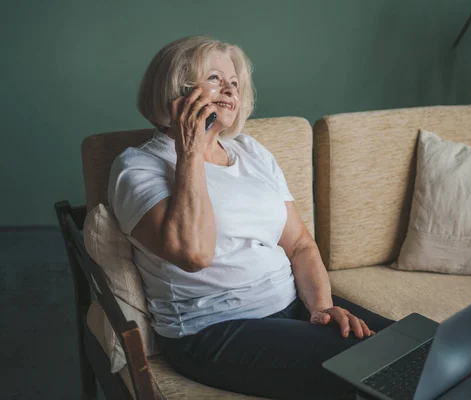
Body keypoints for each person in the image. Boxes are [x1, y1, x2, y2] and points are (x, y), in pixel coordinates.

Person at [108, 35, 395, 399]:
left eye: (235, 82)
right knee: (364, 368)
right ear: (177, 88)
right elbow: (192, 254)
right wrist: (191, 150)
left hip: (291, 305)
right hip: (213, 330)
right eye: (214, 78)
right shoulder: (137, 167)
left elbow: (301, 244)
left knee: (417, 346)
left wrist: (322, 308)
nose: (229, 88)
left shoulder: (251, 151)